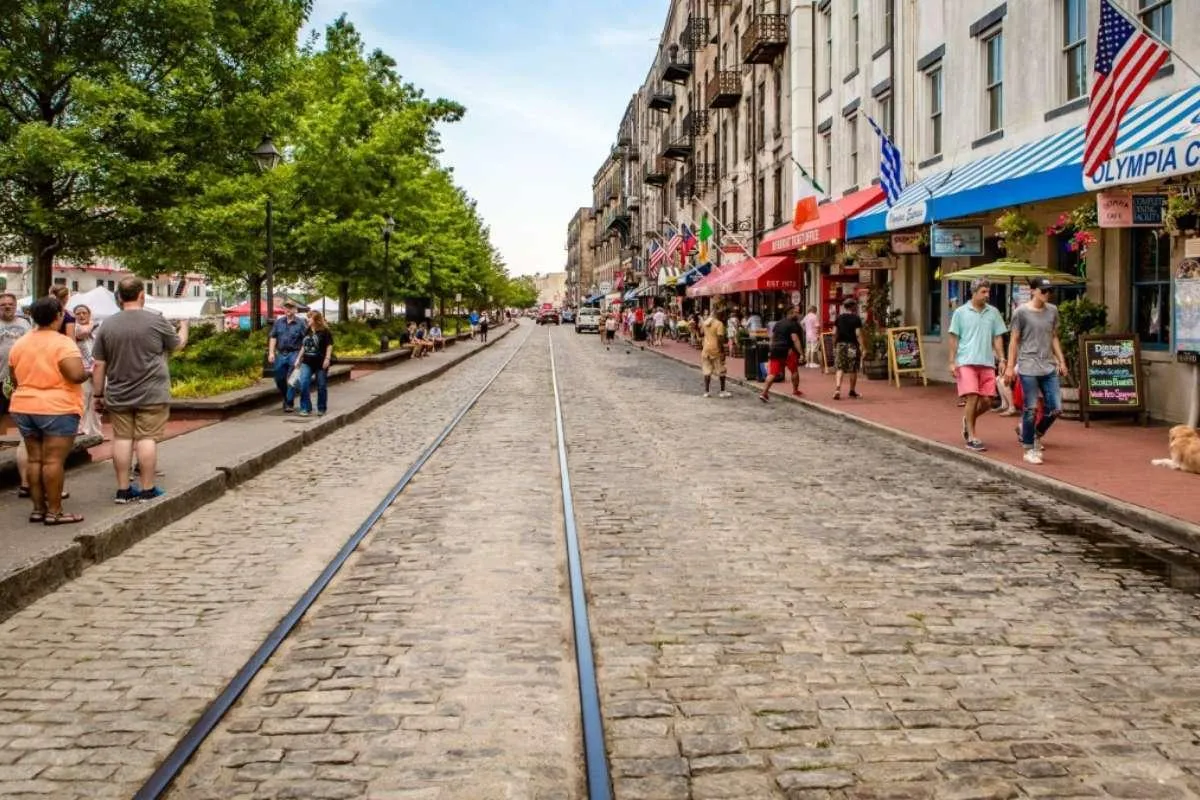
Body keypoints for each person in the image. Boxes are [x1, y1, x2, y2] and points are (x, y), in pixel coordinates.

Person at [92, 277, 188, 503]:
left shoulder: (107, 325)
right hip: (152, 392)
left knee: (122, 439)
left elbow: (99, 364)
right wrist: (184, 326)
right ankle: (147, 488)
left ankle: (123, 490)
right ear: (141, 295)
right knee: (147, 439)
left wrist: (98, 394)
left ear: (119, 297)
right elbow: (177, 344)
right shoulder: (156, 321)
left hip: (118, 392)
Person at [6, 297, 87, 524]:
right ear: (58, 316)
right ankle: (54, 511)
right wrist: (87, 373)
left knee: (35, 460)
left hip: (24, 406)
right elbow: (76, 375)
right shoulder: (62, 343)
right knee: (53, 461)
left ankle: (38, 509)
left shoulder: (20, 343)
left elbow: (14, 376)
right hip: (57, 407)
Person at [1004, 277, 1068, 465]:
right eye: (1043, 290)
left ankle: (1033, 433)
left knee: (1055, 408)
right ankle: (1028, 448)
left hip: (1048, 365)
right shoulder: (1021, 313)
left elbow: (1054, 337)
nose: (1046, 294)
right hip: (1028, 365)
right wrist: (1010, 366)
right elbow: (1014, 340)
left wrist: (1061, 361)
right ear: (1033, 291)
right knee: (1030, 408)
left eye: (1049, 291)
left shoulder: (1053, 311)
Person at [948, 278, 1008, 453]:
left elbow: (998, 336)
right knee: (972, 397)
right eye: (983, 292)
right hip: (966, 361)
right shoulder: (960, 312)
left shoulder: (993, 312)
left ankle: (968, 420)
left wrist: (1002, 359)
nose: (987, 295)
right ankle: (972, 436)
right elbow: (953, 337)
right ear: (973, 293)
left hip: (987, 362)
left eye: (988, 292)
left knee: (988, 401)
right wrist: (952, 362)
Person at [266, 300, 307, 413]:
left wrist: (300, 356)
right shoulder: (278, 322)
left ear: (295, 309)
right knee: (279, 378)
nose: (288, 310)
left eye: (290, 307)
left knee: (291, 378)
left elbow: (306, 340)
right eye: (286, 307)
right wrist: (271, 352)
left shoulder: (301, 323)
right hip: (281, 353)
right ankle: (286, 397)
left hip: (294, 353)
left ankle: (289, 403)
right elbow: (273, 337)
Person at [760, 304, 805, 402]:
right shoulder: (793, 324)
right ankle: (795, 390)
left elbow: (772, 337)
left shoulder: (778, 323)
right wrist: (801, 353)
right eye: (796, 312)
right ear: (791, 313)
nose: (798, 314)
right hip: (787, 350)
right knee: (794, 370)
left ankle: (764, 393)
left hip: (775, 350)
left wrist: (770, 349)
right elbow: (795, 339)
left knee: (772, 373)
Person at [72, 304, 102, 437]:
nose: (81, 316)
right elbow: (82, 333)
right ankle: (80, 429)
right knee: (82, 401)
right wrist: (92, 325)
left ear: (89, 314)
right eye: (78, 313)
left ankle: (95, 431)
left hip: (95, 369)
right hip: (82, 370)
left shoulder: (95, 331)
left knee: (96, 401)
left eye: (84, 313)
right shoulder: (74, 328)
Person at [297, 311, 334, 417]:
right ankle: (305, 407)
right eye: (307, 318)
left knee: (321, 385)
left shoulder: (325, 331)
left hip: (321, 363)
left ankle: (321, 408)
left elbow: (329, 345)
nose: (307, 320)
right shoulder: (307, 330)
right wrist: (298, 359)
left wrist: (327, 358)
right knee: (304, 383)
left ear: (315, 320)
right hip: (307, 362)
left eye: (309, 318)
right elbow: (304, 345)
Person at [832, 299, 867, 400]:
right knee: (853, 368)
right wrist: (863, 347)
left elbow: (834, 333)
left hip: (841, 345)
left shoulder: (839, 318)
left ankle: (837, 389)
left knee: (840, 367)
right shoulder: (856, 318)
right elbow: (858, 333)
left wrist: (835, 345)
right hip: (852, 346)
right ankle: (852, 391)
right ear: (853, 307)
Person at [700, 308, 730, 398]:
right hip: (715, 349)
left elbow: (701, 333)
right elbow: (720, 339)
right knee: (721, 370)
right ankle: (722, 391)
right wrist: (722, 351)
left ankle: (706, 391)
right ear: (719, 315)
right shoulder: (719, 324)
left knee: (707, 370)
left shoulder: (705, 323)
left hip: (706, 349)